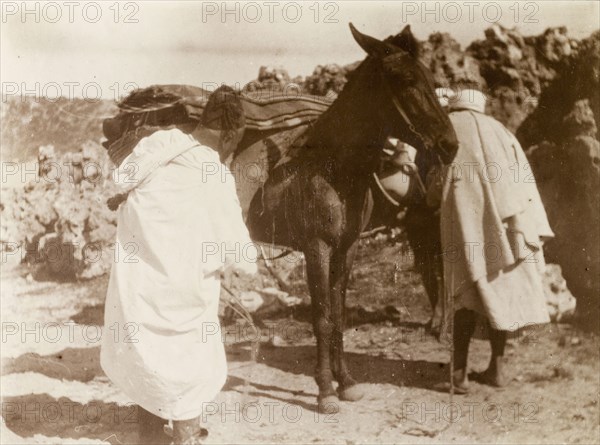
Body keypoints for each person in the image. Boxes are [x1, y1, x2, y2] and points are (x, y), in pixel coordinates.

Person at [101, 85, 258, 444]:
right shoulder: (213, 174)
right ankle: (186, 435)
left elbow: (124, 182)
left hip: (140, 282)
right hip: (186, 288)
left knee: (147, 353)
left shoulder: (156, 146)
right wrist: (246, 268)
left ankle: (151, 433)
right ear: (232, 133)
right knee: (189, 358)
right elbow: (236, 245)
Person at [429, 85, 554, 392]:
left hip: (467, 225)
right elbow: (524, 180)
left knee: (466, 295)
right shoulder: (502, 131)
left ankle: (458, 376)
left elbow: (434, 187)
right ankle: (496, 370)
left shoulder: (448, 128)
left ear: (454, 106)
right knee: (501, 292)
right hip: (510, 227)